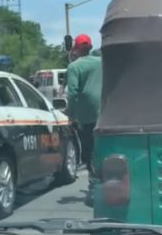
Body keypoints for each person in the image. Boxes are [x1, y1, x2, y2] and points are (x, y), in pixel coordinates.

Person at [66, 34, 102, 207]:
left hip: (86, 118)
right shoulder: (102, 62)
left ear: (76, 48)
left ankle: (95, 189)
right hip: (107, 114)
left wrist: (70, 114)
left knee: (89, 153)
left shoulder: (74, 67)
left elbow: (72, 93)